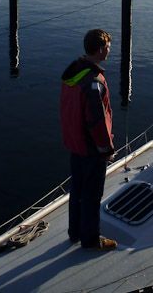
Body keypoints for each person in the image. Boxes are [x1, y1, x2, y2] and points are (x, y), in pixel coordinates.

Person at [60, 29, 117, 251]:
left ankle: (74, 232)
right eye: (109, 47)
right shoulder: (94, 82)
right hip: (91, 148)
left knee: (77, 191)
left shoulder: (74, 74)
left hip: (75, 144)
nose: (110, 51)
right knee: (92, 195)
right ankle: (91, 240)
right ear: (101, 49)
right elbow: (97, 121)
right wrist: (107, 149)